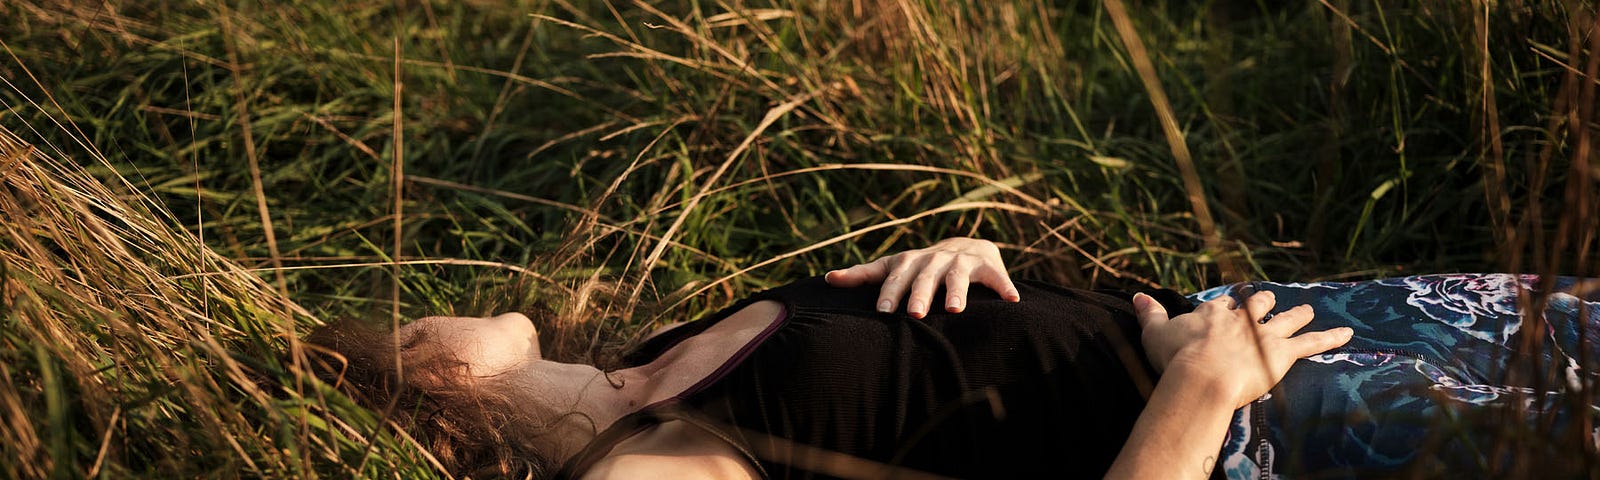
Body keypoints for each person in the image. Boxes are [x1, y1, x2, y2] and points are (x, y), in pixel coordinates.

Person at [311, 238, 1600, 479]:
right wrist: (1201, 384)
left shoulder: (650, 371)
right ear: (450, 417)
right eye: (412, 348)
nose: (417, 325)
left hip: (1234, 349)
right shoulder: (659, 451)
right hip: (1259, 403)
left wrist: (966, 247)